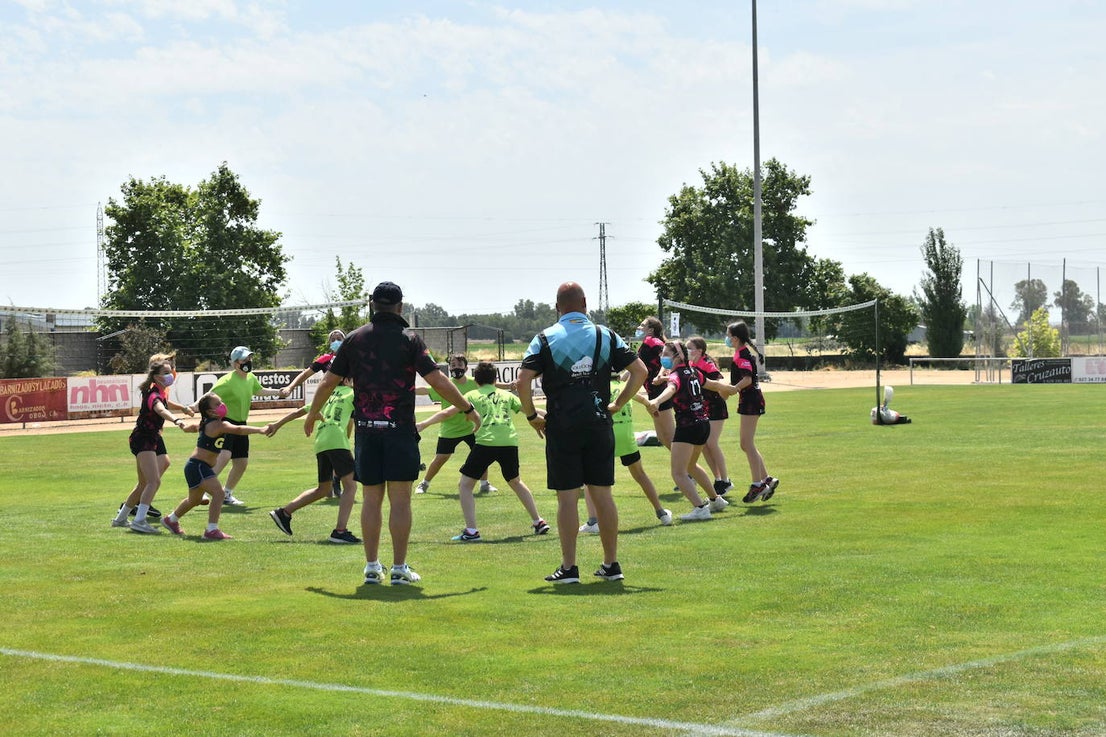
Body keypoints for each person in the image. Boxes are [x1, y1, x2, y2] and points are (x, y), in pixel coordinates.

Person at [304, 281, 482, 586]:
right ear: (400, 307)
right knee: (401, 501)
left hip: (367, 432)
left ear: (372, 304)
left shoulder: (353, 339)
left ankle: (372, 567)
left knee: (371, 499)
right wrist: (467, 407)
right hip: (399, 431)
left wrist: (311, 414)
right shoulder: (410, 339)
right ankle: (399, 569)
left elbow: (327, 383)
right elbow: (438, 381)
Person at [517, 281, 646, 584]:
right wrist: (618, 403)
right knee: (603, 495)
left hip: (562, 426)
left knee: (567, 499)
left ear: (557, 306)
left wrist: (532, 415)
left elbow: (523, 382)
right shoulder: (606, 335)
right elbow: (640, 372)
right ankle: (612, 564)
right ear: (586, 303)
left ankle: (569, 567)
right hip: (600, 422)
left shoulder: (544, 338)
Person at [417, 361, 549, 542]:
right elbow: (531, 410)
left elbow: (447, 413)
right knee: (515, 481)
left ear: (476, 380)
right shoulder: (505, 395)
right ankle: (538, 521)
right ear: (496, 379)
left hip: (486, 443)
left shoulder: (471, 395)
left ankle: (471, 531)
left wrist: (423, 424)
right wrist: (553, 416)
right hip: (509, 442)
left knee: (465, 485)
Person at [160, 393, 271, 540]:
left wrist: (185, 426)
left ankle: (171, 520)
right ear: (210, 411)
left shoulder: (207, 423)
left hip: (195, 467)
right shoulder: (219, 425)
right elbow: (238, 429)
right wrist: (260, 430)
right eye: (218, 404)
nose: (222, 405)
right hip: (199, 466)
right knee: (219, 493)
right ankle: (211, 530)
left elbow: (193, 427)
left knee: (194, 500)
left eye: (221, 402)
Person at [266, 376, 361, 544]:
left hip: (321, 442)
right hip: (336, 440)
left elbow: (299, 412)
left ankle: (284, 512)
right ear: (346, 380)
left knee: (323, 489)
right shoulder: (352, 394)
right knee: (350, 485)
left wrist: (276, 424)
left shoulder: (325, 395)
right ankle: (340, 531)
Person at [646, 341, 729, 521]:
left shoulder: (676, 375)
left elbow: (672, 388)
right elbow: (713, 385)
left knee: (678, 473)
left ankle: (700, 508)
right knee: (691, 465)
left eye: (667, 354)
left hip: (687, 426)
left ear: (678, 356)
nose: (663, 357)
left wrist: (657, 401)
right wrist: (731, 388)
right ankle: (716, 499)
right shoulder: (693, 371)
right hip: (703, 424)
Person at [579, 370, 672, 533]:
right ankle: (661, 512)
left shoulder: (597, 387)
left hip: (606, 436)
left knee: (591, 480)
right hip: (627, 438)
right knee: (640, 475)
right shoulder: (625, 386)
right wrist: (651, 407)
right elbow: (644, 400)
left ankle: (593, 521)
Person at [111, 358, 193, 533]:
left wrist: (183, 409)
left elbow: (166, 404)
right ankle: (139, 521)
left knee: (143, 483)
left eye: (170, 371)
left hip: (146, 438)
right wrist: (178, 420)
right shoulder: (153, 395)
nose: (170, 375)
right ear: (156, 377)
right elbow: (160, 409)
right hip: (144, 439)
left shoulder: (160, 392)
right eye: (165, 373)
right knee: (153, 481)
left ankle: (120, 518)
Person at [704, 321, 779, 503]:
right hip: (750, 401)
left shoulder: (741, 355)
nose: (727, 339)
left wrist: (733, 389)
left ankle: (758, 484)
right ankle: (766, 479)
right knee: (747, 444)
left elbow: (747, 379)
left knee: (746, 444)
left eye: (728, 335)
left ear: (735, 338)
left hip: (751, 401)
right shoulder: (740, 353)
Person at [200, 345, 283, 506]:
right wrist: (192, 407)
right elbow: (208, 397)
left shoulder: (250, 378)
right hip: (227, 424)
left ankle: (227, 493)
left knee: (241, 462)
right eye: (244, 359)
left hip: (241, 423)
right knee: (223, 457)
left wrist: (278, 392)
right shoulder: (227, 381)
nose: (248, 362)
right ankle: (202, 489)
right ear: (235, 363)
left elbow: (259, 391)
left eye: (249, 358)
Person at [413, 354, 496, 495]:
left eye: (459, 365)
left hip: (472, 428)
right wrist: (403, 389)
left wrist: (510, 385)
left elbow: (490, 386)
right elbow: (426, 390)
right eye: (452, 365)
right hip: (449, 428)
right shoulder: (446, 384)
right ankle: (424, 484)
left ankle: (485, 484)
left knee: (481, 455)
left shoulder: (474, 382)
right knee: (441, 458)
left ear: (466, 367)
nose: (455, 368)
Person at [687, 336, 732, 497]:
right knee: (705, 445)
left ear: (699, 350)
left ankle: (726, 480)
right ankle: (718, 479)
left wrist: (724, 396)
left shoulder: (707, 364)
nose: (687, 351)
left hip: (716, 407)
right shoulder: (692, 364)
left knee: (712, 442)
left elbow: (720, 384)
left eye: (690, 348)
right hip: (703, 408)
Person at [635, 317, 675, 449]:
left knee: (670, 437)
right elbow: (636, 367)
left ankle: (686, 467)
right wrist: (620, 379)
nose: (639, 328)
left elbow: (668, 357)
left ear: (650, 330)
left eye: (642, 325)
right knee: (663, 437)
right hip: (653, 393)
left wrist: (660, 374)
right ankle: (684, 467)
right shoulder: (645, 345)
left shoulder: (651, 341)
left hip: (660, 392)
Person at [279, 329, 345, 399]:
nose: (336, 342)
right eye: (333, 340)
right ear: (329, 343)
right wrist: (290, 387)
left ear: (345, 341)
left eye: (339, 339)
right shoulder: (325, 358)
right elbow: (305, 374)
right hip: (330, 397)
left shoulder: (351, 358)